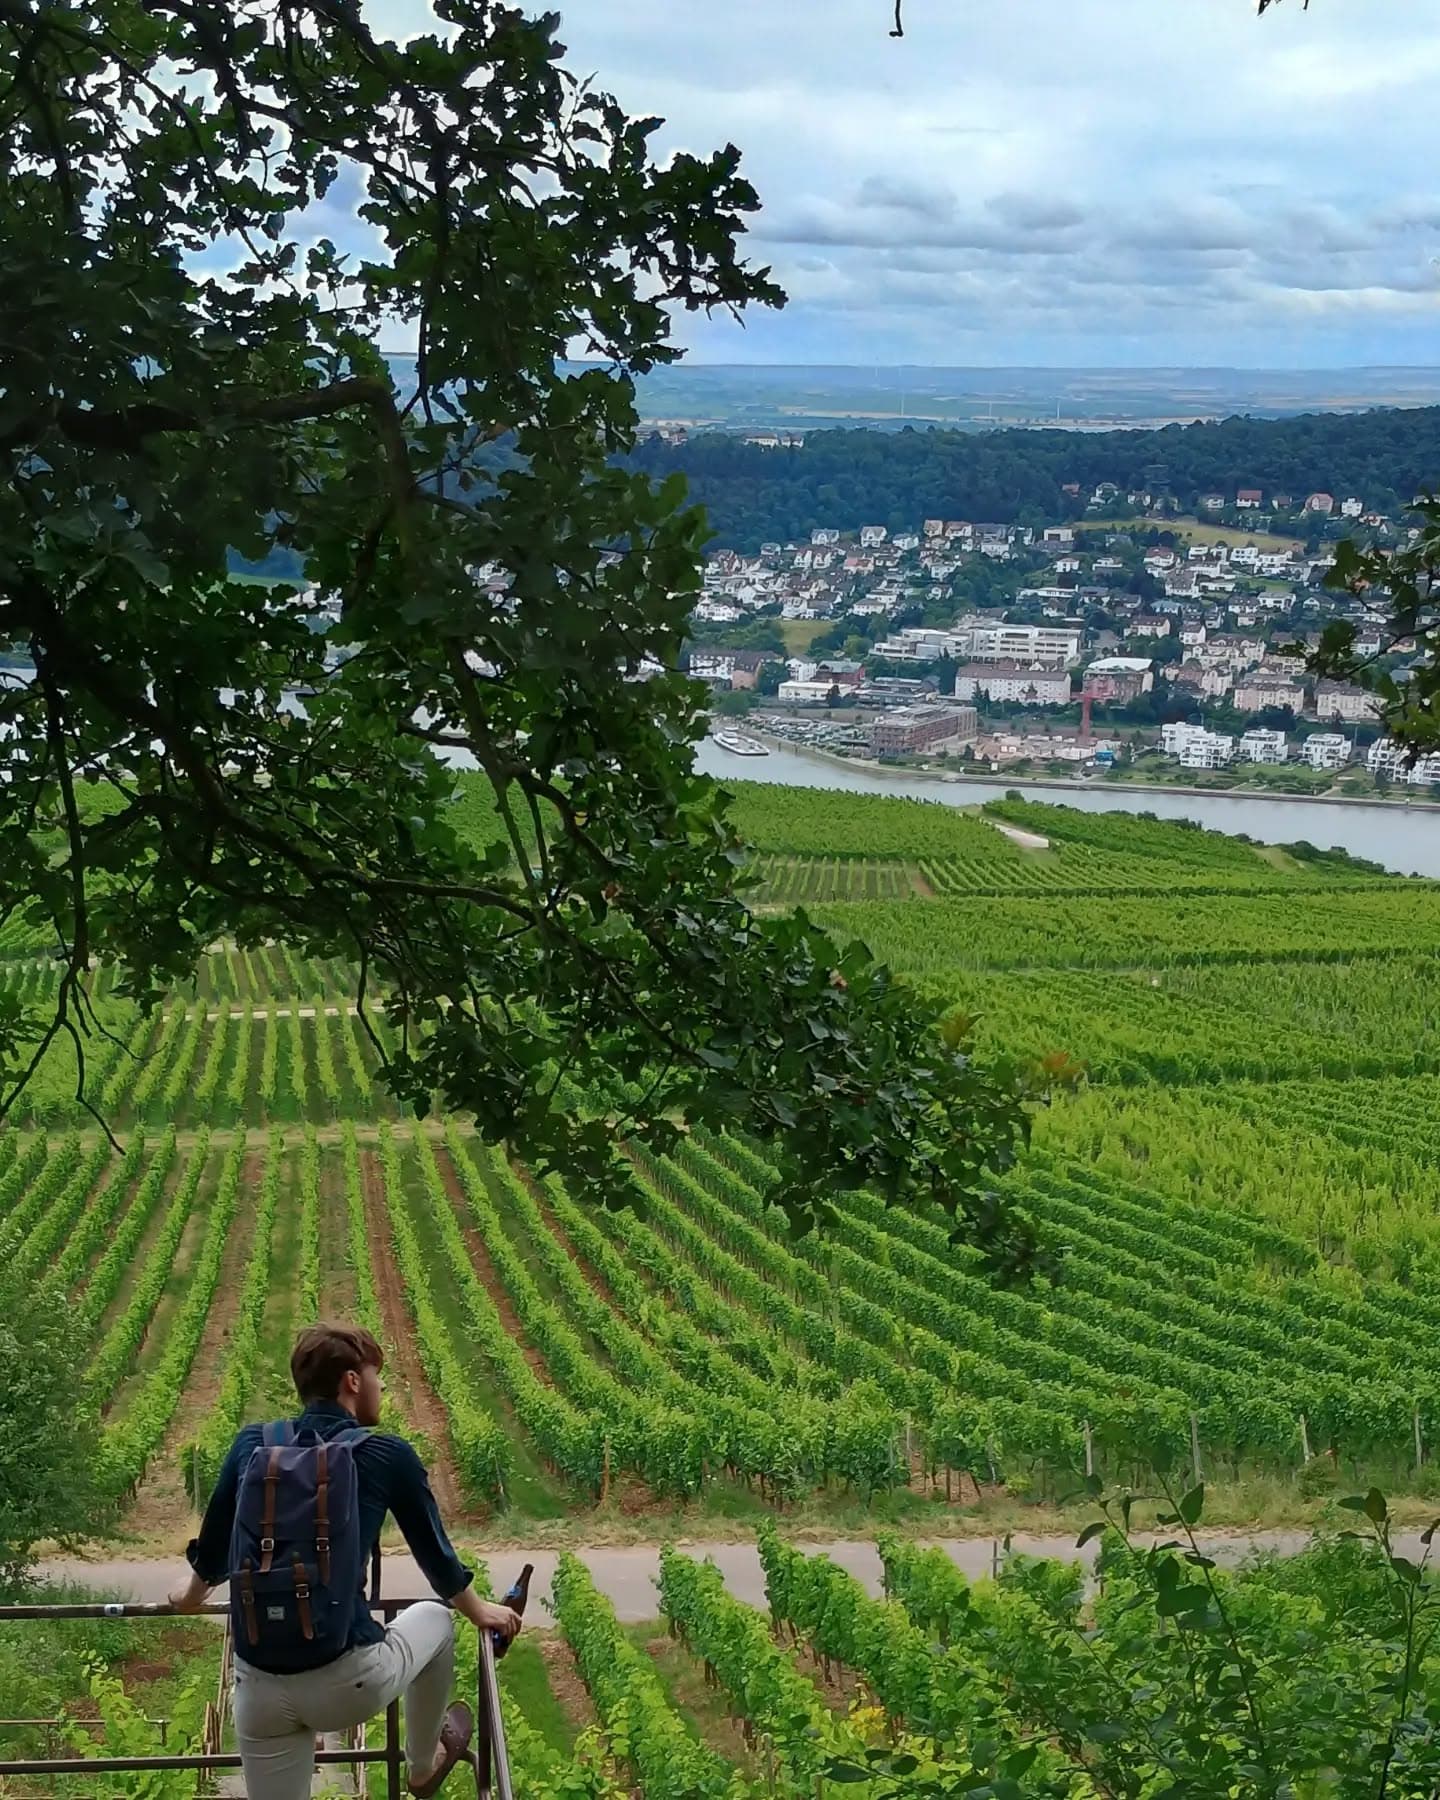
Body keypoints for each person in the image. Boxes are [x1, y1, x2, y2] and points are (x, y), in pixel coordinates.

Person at [169, 1322, 520, 1800]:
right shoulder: (384, 1452)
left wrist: (186, 1599)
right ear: (352, 1382)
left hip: (259, 1688)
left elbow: (211, 1554)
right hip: (346, 1682)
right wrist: (480, 1611)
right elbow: (435, 1557)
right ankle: (421, 1766)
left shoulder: (252, 1445)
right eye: (378, 1376)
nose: (381, 1388)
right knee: (438, 1619)